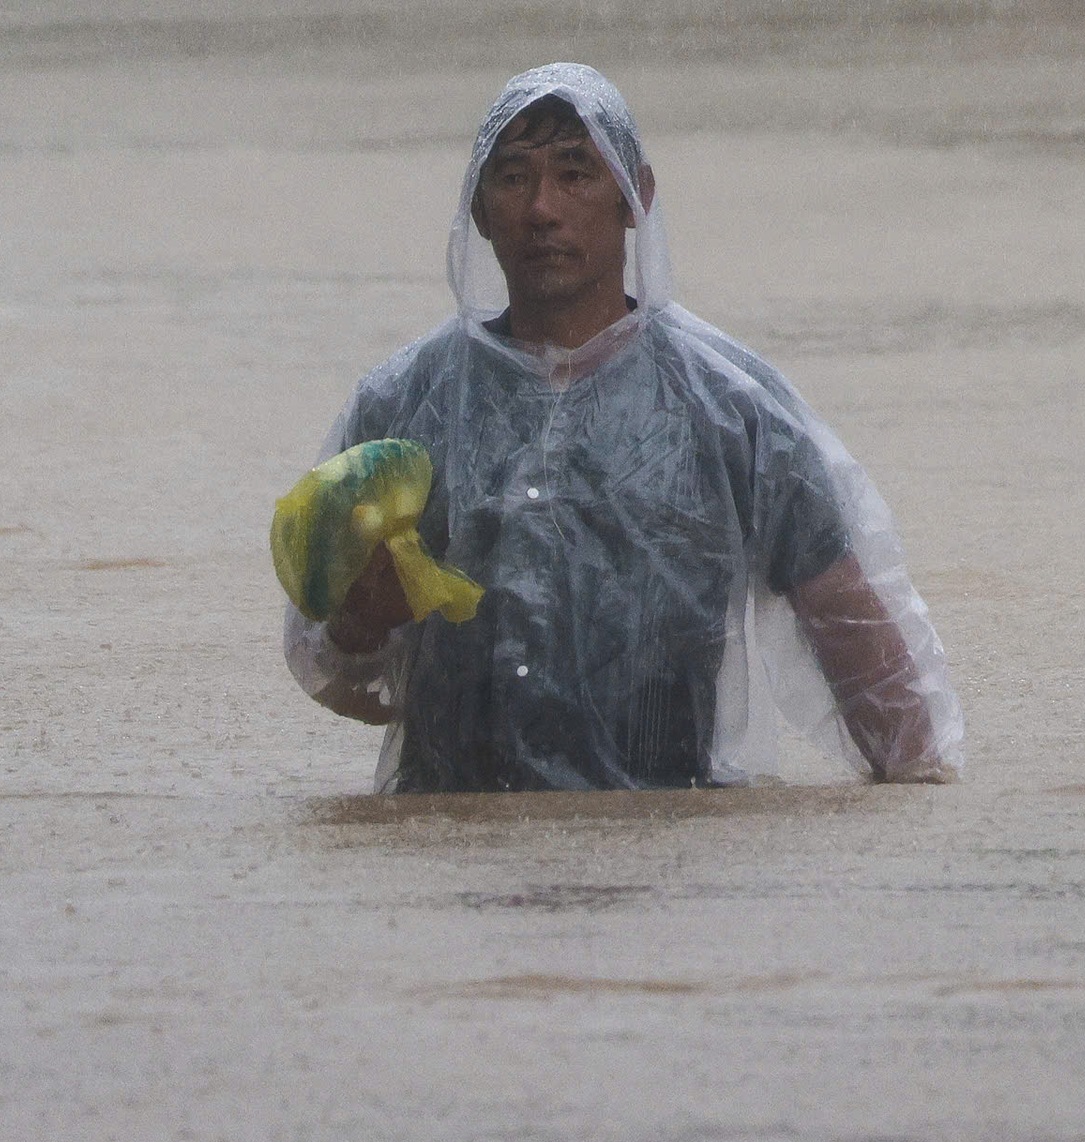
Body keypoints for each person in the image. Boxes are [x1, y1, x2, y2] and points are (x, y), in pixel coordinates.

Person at [284, 63, 963, 792]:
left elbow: (855, 635)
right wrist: (359, 620)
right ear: (478, 209)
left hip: (669, 836)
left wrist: (919, 805)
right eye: (512, 178)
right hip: (452, 838)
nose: (542, 208)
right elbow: (328, 668)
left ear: (635, 196)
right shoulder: (403, 405)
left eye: (575, 173)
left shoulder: (733, 407)